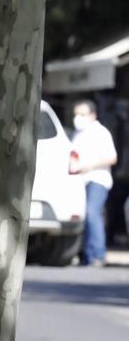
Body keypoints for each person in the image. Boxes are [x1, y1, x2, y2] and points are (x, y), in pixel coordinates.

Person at [70, 99, 118, 267]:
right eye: (76, 114)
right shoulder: (78, 134)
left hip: (97, 179)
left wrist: (89, 165)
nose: (78, 118)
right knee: (83, 217)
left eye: (82, 114)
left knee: (92, 214)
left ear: (92, 115)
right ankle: (87, 254)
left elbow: (112, 157)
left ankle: (98, 254)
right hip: (80, 181)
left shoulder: (100, 132)